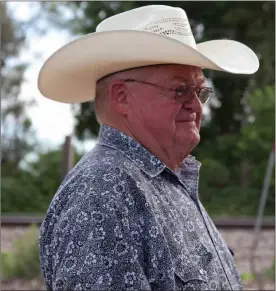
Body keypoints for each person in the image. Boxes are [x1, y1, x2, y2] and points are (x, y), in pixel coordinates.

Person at [38, 5, 259, 291]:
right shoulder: (102, 193)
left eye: (200, 91)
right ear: (121, 97)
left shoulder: (154, 181)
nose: (194, 104)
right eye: (179, 90)